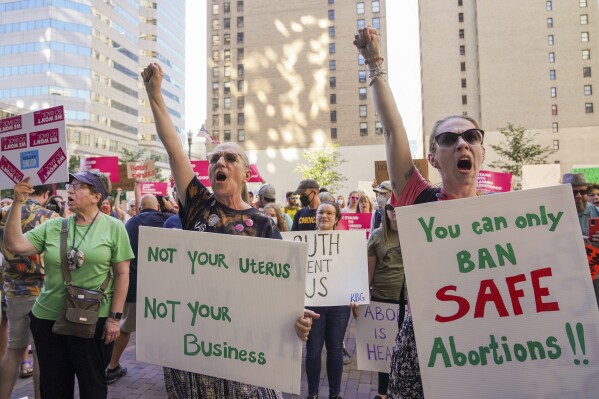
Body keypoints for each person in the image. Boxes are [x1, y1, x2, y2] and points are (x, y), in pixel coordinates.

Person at [142, 62, 315, 398]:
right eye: (214, 159)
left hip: (243, 350)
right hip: (194, 343)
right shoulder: (197, 205)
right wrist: (155, 95)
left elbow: (284, 292)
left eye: (230, 158)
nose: (219, 162)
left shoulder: (264, 224)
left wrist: (298, 320)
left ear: (246, 173)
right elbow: (175, 149)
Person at [354, 25, 486, 398]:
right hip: (424, 342)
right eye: (449, 138)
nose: (461, 142)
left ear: (481, 152)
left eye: (470, 137)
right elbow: (394, 131)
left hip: (488, 339)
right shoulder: (419, 198)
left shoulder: (506, 214)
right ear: (433, 157)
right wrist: (375, 63)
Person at [3, 171, 133, 399]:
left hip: (93, 320)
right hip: (48, 320)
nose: (70, 190)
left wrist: (114, 318)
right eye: (70, 185)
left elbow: (122, 274)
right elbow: (15, 244)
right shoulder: (54, 225)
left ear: (96, 196)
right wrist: (18, 202)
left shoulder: (114, 227)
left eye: (78, 186)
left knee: (92, 386)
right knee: (53, 387)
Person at [106, 194, 173, 384]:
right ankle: (173, 371)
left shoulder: (130, 223)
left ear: (140, 208)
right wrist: (170, 207)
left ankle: (112, 366)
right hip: (161, 288)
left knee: (124, 328)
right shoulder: (166, 219)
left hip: (132, 286)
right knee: (168, 328)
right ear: (159, 207)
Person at [0, 183, 59, 399]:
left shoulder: (4, 212)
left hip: (14, 290)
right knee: (41, 354)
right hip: (43, 291)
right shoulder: (50, 217)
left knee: (14, 350)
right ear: (46, 194)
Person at [304, 201, 350, 399]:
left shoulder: (347, 243)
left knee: (335, 349)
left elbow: (353, 271)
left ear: (336, 219)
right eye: (321, 212)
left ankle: (335, 394)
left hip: (339, 304)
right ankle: (312, 393)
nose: (325, 216)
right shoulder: (304, 242)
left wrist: (355, 293)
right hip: (313, 304)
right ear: (315, 216)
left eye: (330, 213)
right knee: (313, 350)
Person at [367, 198, 404, 399]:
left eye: (400, 208)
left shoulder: (415, 234)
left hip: (409, 301)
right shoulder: (376, 237)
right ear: (386, 211)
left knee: (406, 350)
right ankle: (383, 393)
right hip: (382, 299)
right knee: (385, 352)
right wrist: (362, 297)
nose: (396, 212)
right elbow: (369, 273)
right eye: (392, 209)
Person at [562, 173, 599, 240]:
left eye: (583, 191)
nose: (579, 196)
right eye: (573, 192)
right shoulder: (556, 214)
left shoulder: (597, 212)